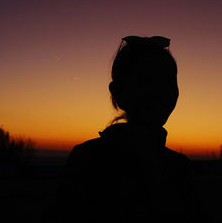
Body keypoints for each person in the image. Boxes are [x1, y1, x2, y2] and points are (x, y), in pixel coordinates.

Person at [43, 36, 198, 223]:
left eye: (168, 81)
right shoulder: (90, 160)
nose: (160, 92)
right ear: (117, 92)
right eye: (146, 81)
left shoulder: (180, 167)